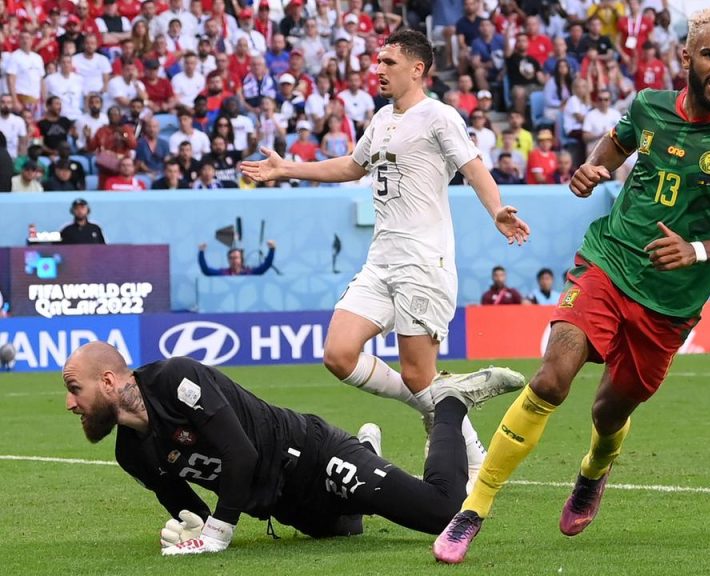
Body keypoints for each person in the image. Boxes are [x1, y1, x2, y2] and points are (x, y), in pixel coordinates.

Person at [433, 7, 710, 563]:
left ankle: (594, 470)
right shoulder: (648, 107)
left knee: (609, 413)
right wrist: (592, 168)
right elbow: (613, 149)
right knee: (552, 378)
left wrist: (696, 250)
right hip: (608, 262)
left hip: (669, 303)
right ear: (686, 58)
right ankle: (473, 508)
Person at [240, 30, 530, 489]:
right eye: (377, 61)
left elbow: (475, 168)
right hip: (381, 261)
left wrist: (497, 210)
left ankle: (474, 458)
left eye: (389, 62)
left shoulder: (439, 116)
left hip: (422, 261)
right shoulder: (380, 118)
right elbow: (353, 166)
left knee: (418, 374)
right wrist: (285, 168)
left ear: (417, 69)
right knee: (338, 353)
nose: (378, 69)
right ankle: (451, 405)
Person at [62, 342, 526, 556]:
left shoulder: (174, 378)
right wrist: (191, 529)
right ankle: (369, 452)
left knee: (444, 515)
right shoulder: (130, 453)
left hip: (314, 454)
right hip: (285, 504)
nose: (69, 403)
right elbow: (185, 506)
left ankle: (448, 404)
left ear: (107, 381)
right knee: (347, 533)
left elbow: (240, 454)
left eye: (74, 388)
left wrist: (219, 533)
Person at [198, 241, 276, 276]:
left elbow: (266, 265)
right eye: (231, 258)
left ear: (241, 259)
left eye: (236, 258)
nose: (233, 260)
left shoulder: (249, 273)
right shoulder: (223, 273)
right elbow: (206, 270)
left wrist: (272, 249)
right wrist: (201, 251)